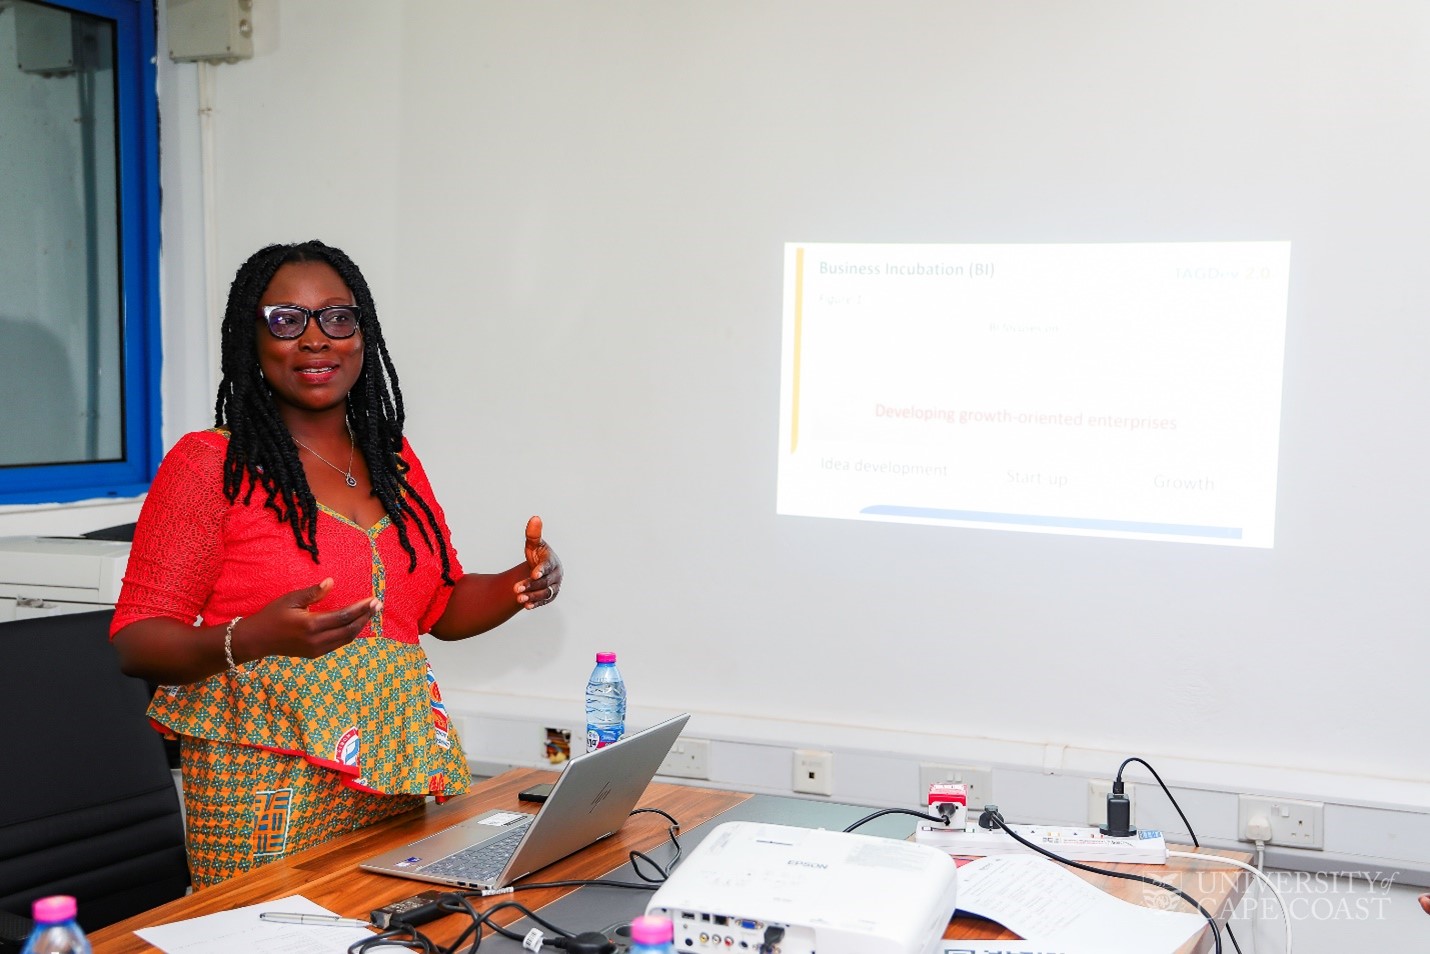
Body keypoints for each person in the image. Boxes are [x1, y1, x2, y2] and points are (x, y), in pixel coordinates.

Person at [110, 239, 562, 889]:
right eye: (286, 320)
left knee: (391, 924)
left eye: (337, 318)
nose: (316, 338)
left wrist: (522, 583)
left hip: (388, 770)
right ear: (250, 337)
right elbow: (136, 640)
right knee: (269, 932)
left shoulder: (392, 460)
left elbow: (439, 606)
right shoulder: (209, 463)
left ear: (362, 333)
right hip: (263, 782)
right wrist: (252, 637)